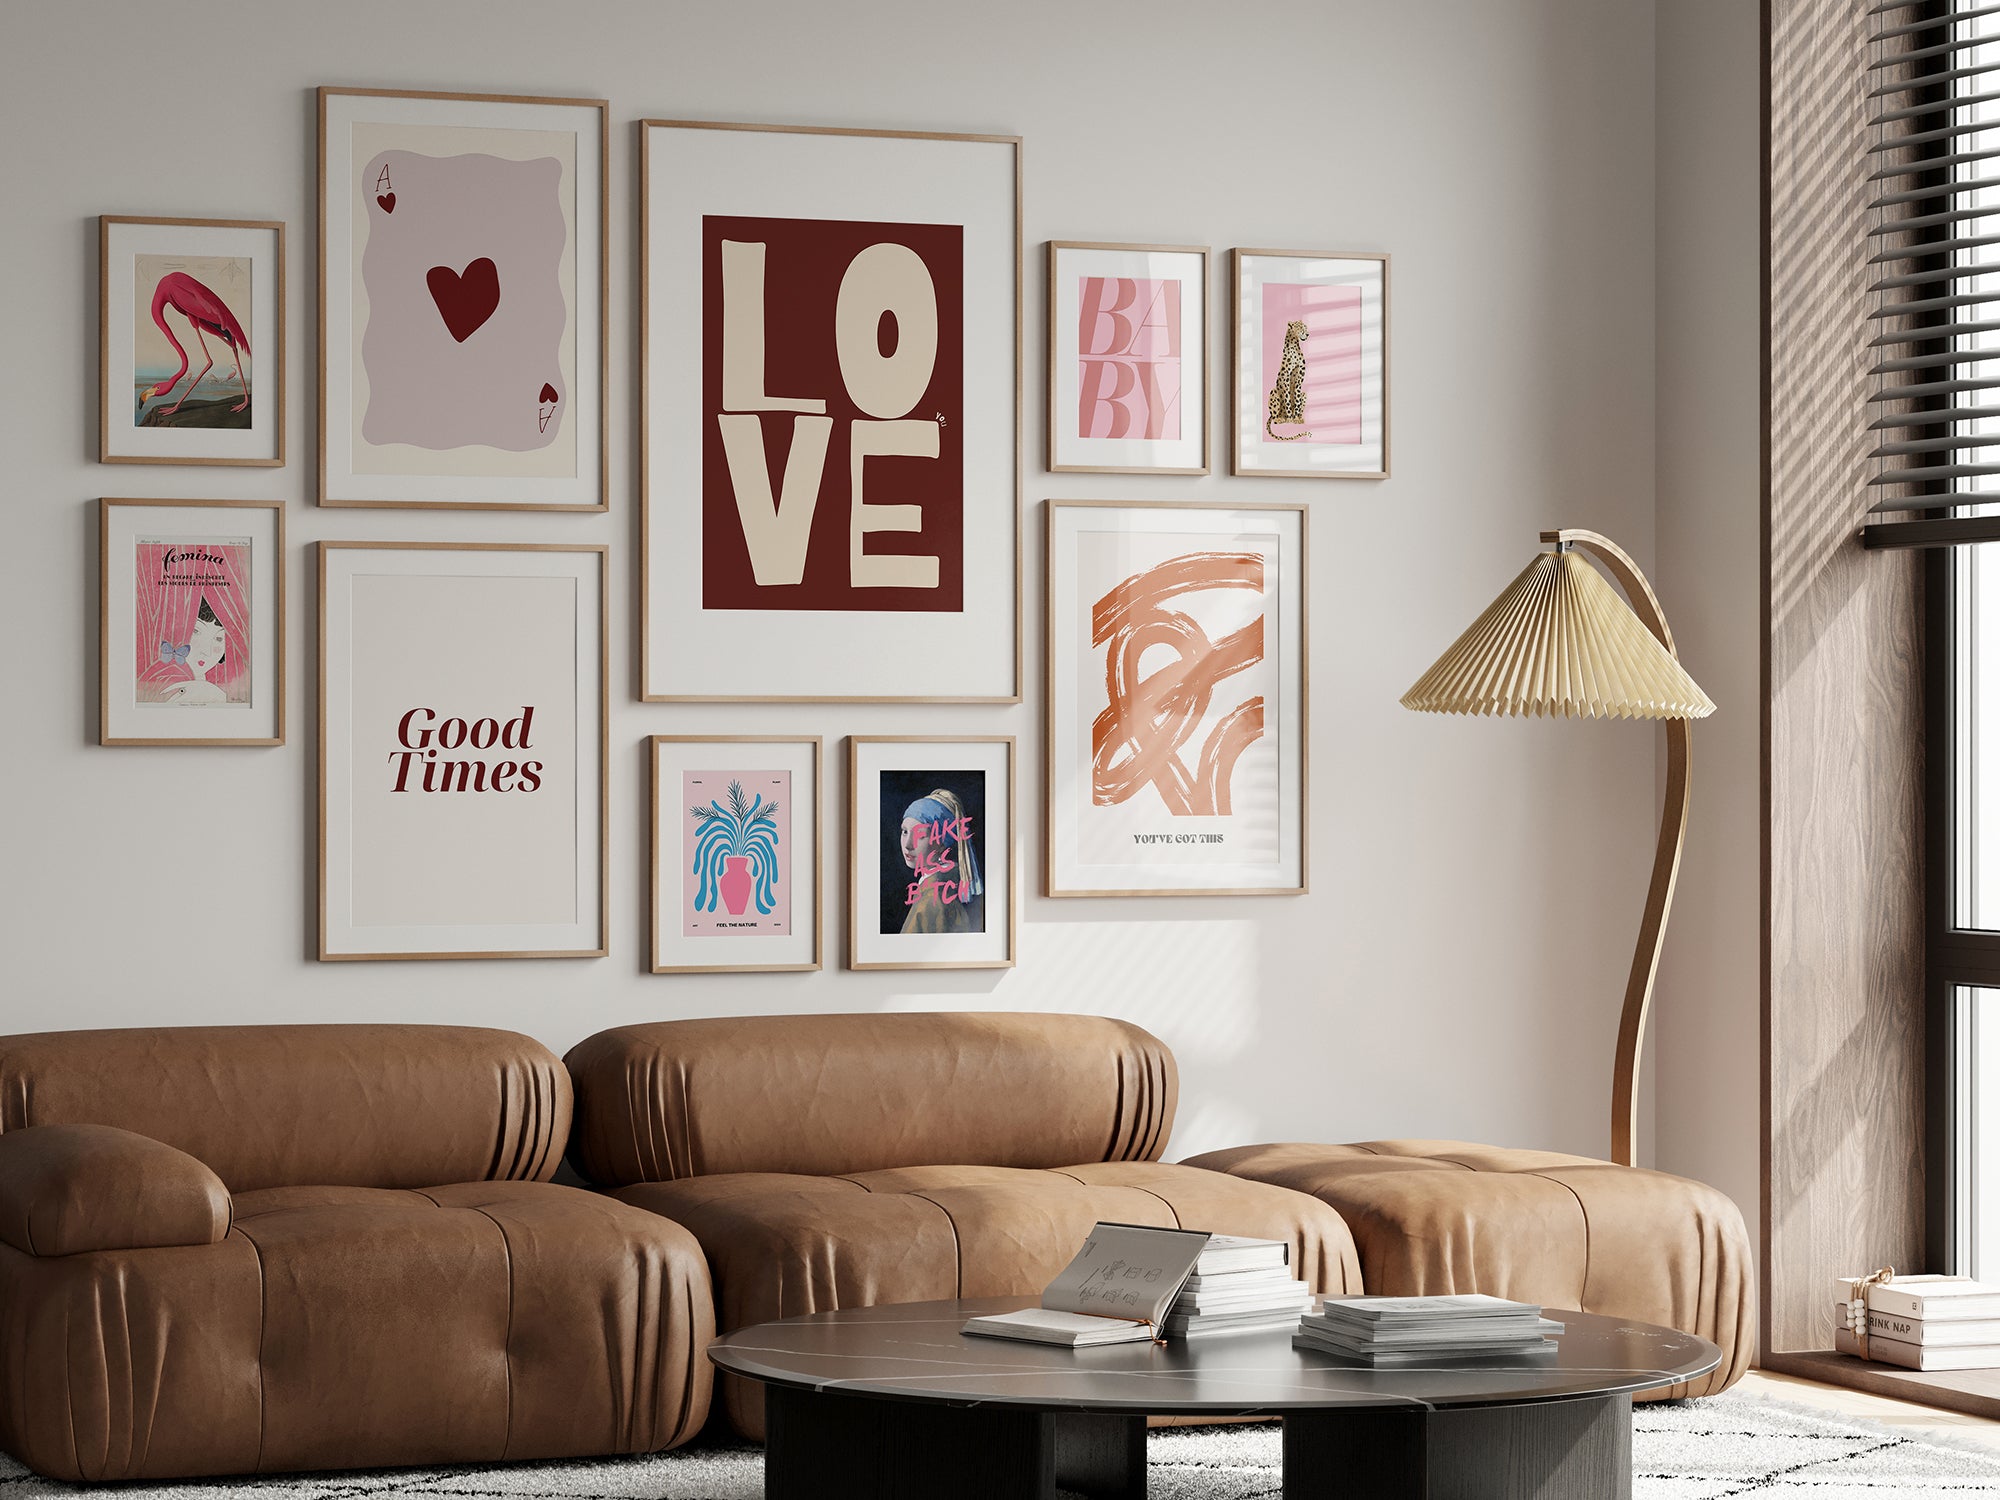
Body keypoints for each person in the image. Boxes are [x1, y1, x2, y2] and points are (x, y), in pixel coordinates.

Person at [898, 788, 983, 934]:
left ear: (942, 842)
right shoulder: (945, 886)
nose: (907, 844)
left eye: (920, 835)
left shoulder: (932, 901)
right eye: (905, 831)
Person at [159, 597, 229, 704]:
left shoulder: (216, 695)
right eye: (196, 631)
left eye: (219, 638)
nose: (206, 651)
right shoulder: (160, 685)